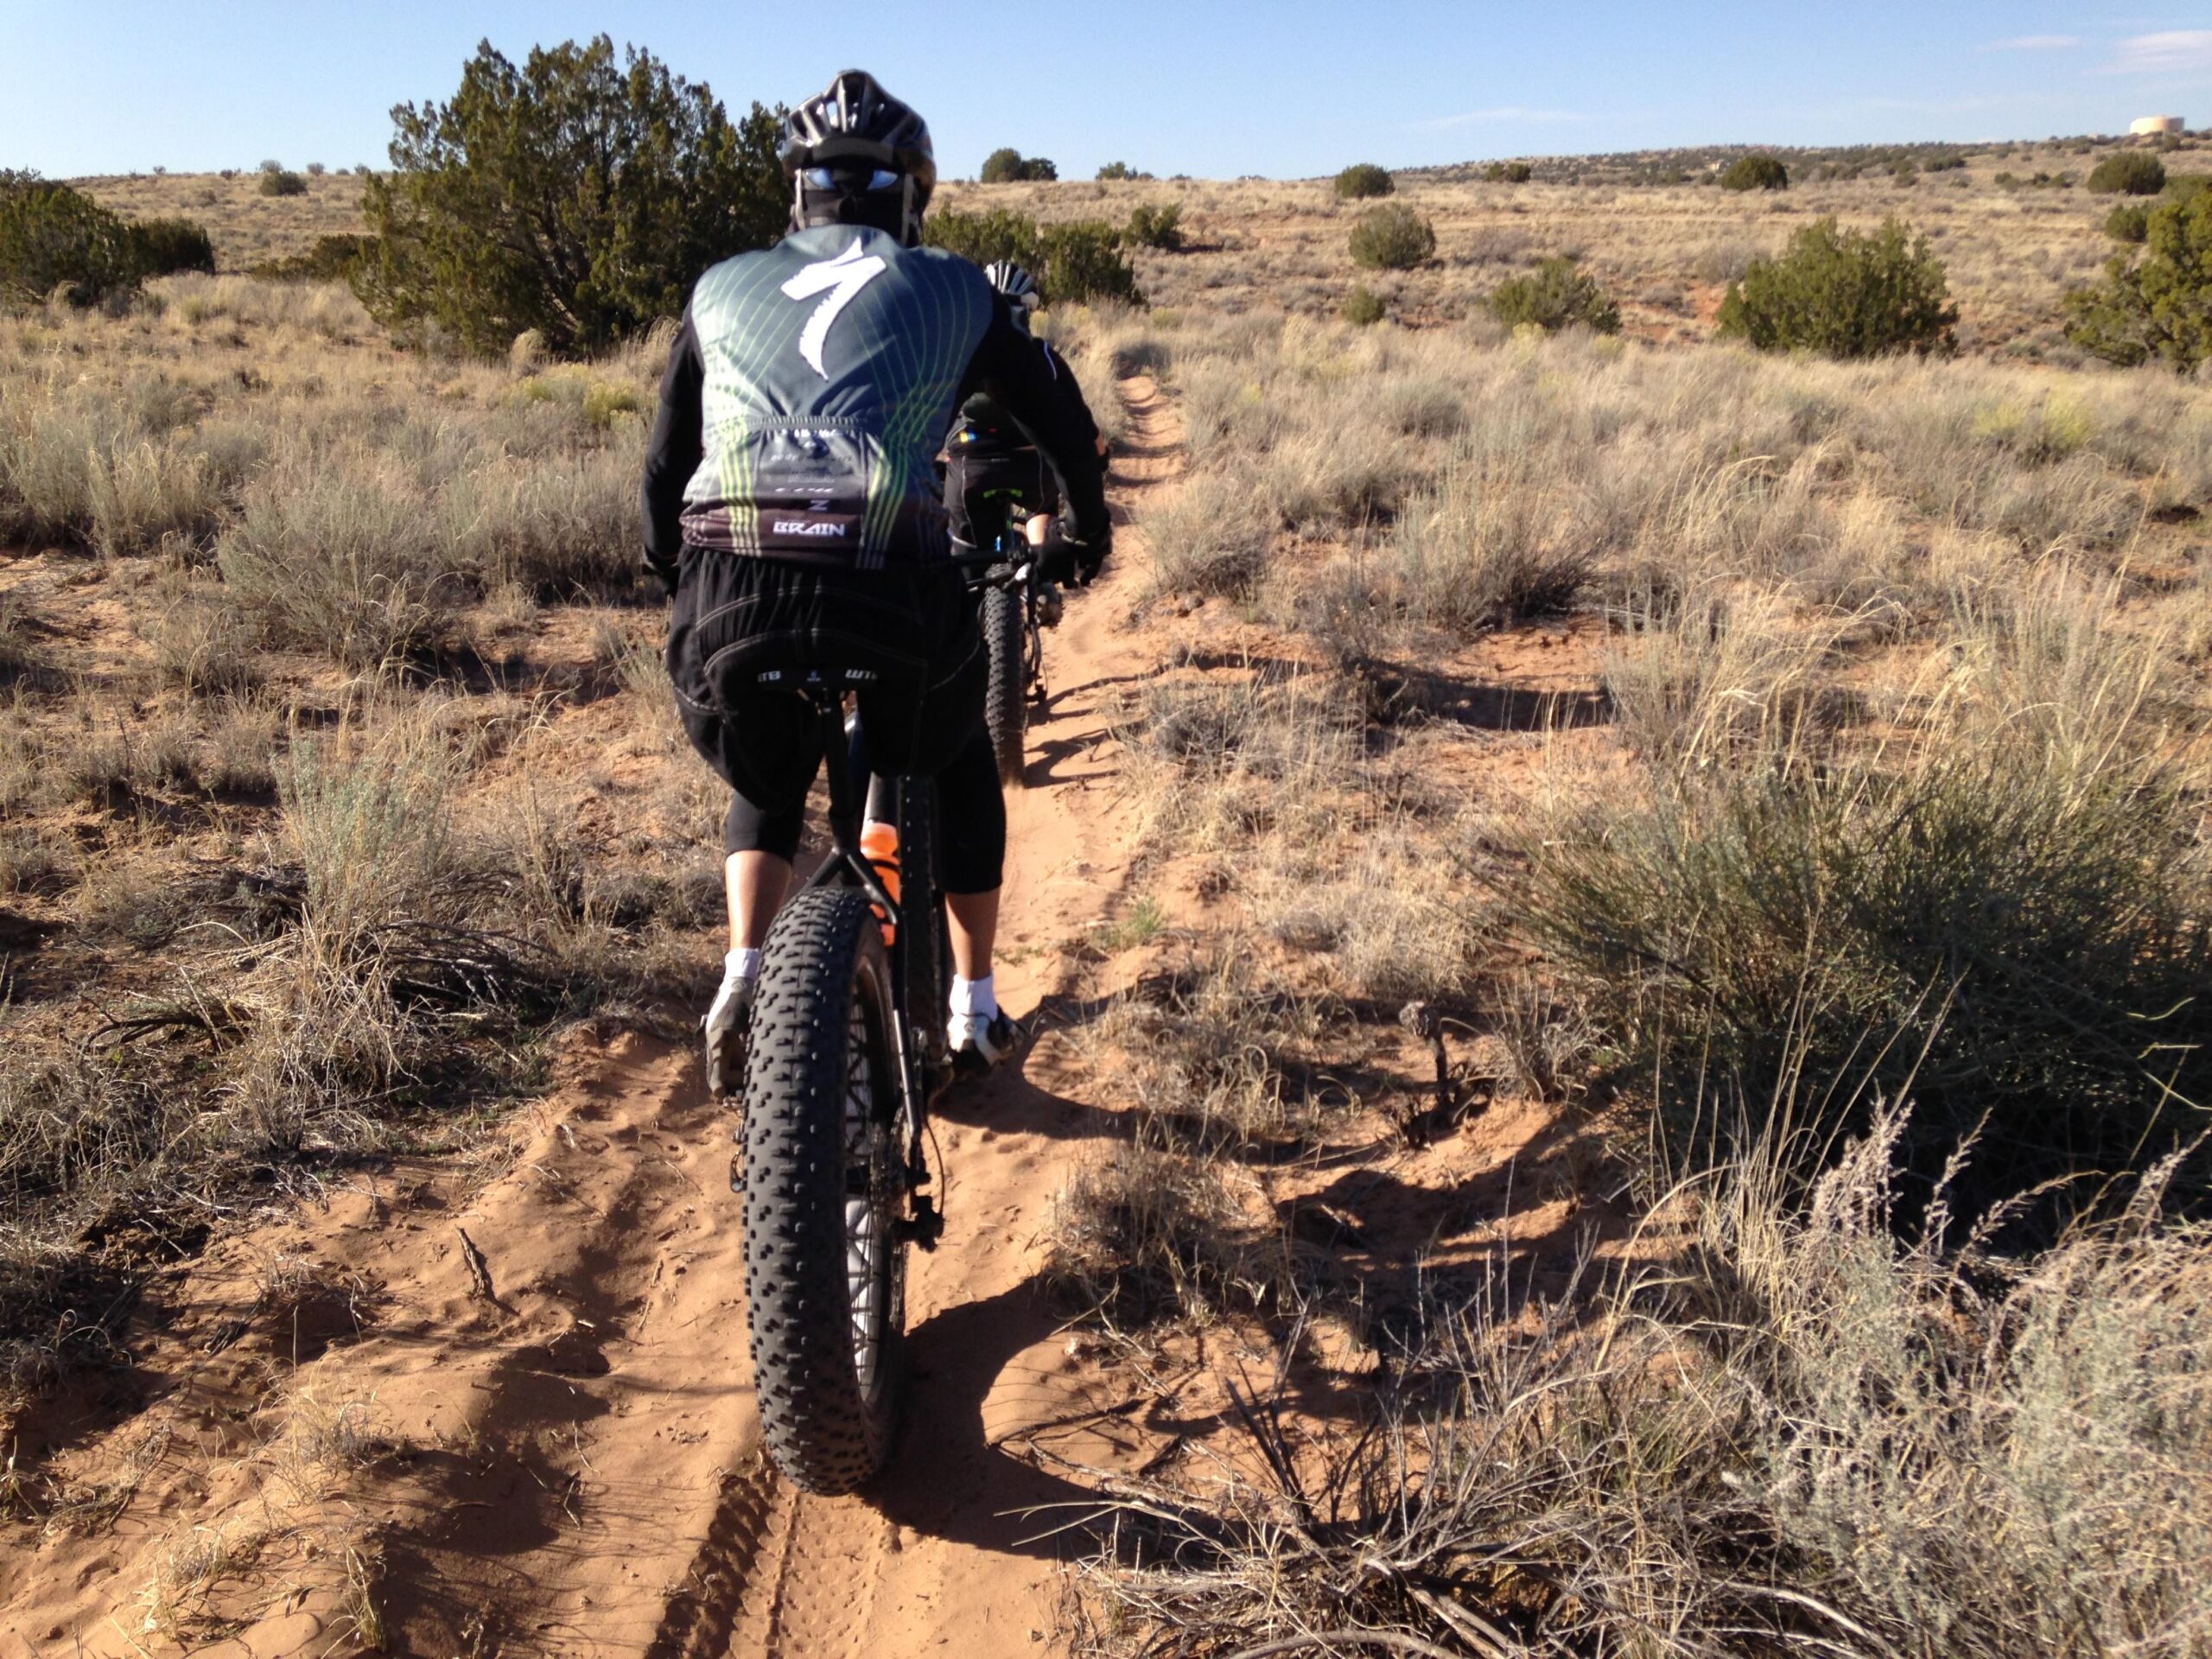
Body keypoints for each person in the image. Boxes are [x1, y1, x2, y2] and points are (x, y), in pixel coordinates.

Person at [640, 70, 1111, 1099]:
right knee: (952, 762)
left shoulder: (721, 285)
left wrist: (662, 559)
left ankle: (746, 968)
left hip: (729, 584)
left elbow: (667, 457)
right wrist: (1088, 527)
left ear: (797, 195)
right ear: (912, 196)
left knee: (764, 781)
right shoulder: (952, 285)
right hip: (888, 577)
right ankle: (974, 1005)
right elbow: (1057, 419)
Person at [944, 262, 1107, 578]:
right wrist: (1101, 459)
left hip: (971, 465)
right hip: (1031, 462)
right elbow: (1084, 428)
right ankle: (1040, 580)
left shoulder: (959, 355)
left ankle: (974, 602)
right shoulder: (1041, 355)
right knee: (1041, 507)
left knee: (967, 565)